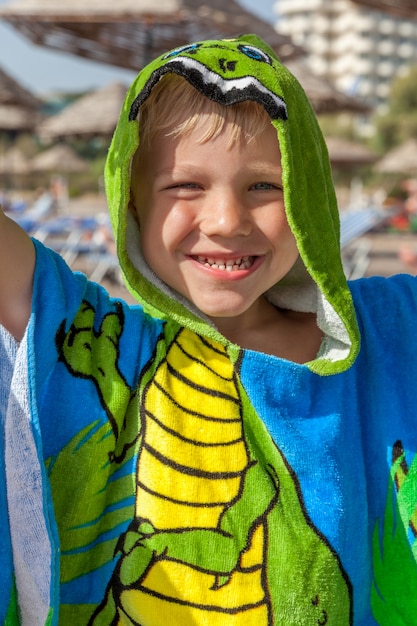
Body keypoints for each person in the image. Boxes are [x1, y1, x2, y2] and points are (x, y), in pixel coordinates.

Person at [0, 33, 416, 626]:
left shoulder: (389, 336)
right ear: (133, 206)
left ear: (310, 201)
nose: (226, 221)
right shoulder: (111, 343)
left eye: (266, 187)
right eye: (185, 186)